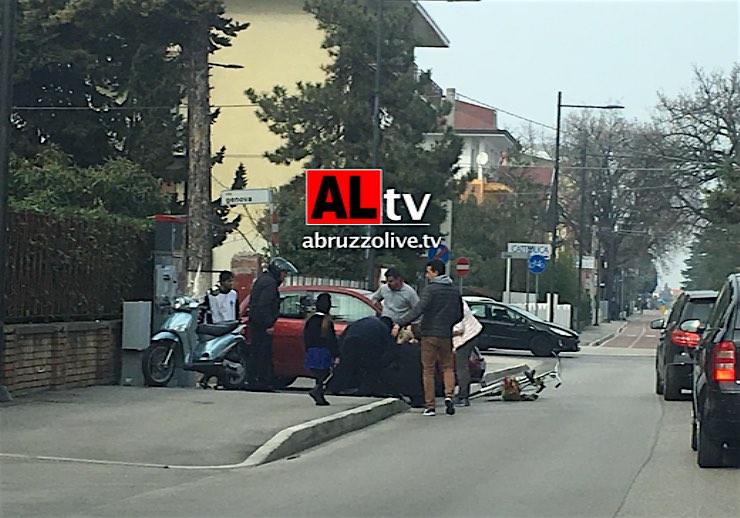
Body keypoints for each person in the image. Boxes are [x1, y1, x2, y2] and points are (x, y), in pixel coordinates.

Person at [395, 259, 463, 417]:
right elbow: (459, 314)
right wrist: (448, 324)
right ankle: (449, 396)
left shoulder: (430, 290)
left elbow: (418, 309)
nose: (427, 275)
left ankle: (430, 406)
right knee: (447, 367)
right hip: (446, 335)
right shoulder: (453, 290)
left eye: (428, 272)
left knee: (428, 370)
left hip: (429, 335)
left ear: (435, 272)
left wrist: (400, 322)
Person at [247, 257, 298, 391]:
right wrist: (269, 324)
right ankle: (260, 383)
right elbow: (264, 305)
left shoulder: (264, 280)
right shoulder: (269, 284)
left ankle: (256, 381)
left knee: (258, 353)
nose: (285, 276)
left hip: (257, 323)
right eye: (284, 273)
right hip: (262, 325)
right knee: (263, 354)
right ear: (277, 271)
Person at [327, 316, 398, 396]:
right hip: (367, 344)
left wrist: (340, 352)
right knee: (371, 368)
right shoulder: (384, 328)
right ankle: (366, 389)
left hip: (349, 341)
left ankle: (334, 388)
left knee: (345, 366)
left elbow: (344, 334)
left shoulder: (363, 320)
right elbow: (387, 348)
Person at [303, 293, 339, 406]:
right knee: (325, 374)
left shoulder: (310, 319)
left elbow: (306, 337)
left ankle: (318, 392)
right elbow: (331, 340)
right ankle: (318, 391)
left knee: (318, 374)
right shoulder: (326, 322)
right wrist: (336, 354)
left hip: (312, 351)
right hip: (323, 351)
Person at [452, 300, 483, 407]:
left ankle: (463, 396)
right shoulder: (457, 300)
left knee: (461, 367)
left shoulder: (454, 306)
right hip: (472, 333)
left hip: (466, 337)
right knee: (463, 366)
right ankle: (463, 394)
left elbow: (458, 328)